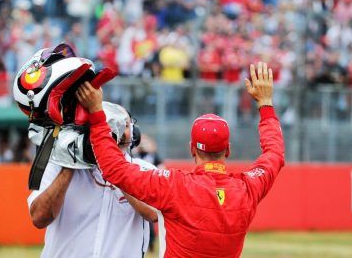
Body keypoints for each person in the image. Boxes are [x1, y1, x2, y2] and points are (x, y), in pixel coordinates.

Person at [76, 62, 285, 257]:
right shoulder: (248, 188)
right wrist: (265, 104)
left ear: (192, 149)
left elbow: (114, 168)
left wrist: (96, 114)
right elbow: (274, 154)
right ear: (228, 150)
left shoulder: (175, 186)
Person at [27, 102, 158, 258]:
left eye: (125, 124)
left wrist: (114, 166)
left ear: (135, 133)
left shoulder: (145, 170)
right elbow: (39, 219)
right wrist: (70, 163)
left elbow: (154, 214)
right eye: (110, 124)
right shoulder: (58, 166)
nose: (118, 131)